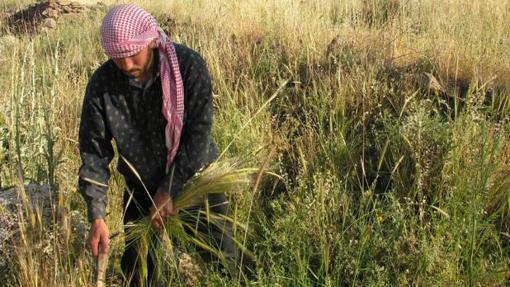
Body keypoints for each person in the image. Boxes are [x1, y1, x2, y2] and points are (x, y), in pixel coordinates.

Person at [77, 4, 236, 286]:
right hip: (141, 190)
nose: (126, 65)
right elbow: (94, 153)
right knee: (140, 273)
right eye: (117, 57)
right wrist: (97, 215)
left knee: (223, 261)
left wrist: (169, 189)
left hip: (193, 178)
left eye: (132, 54)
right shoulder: (102, 85)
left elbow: (198, 134)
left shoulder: (187, 67)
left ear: (149, 41)